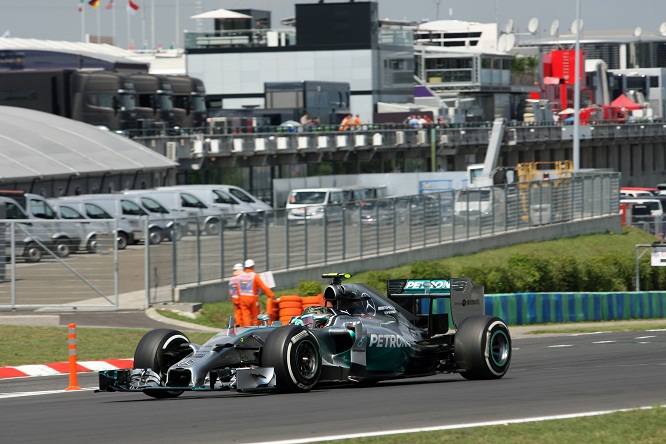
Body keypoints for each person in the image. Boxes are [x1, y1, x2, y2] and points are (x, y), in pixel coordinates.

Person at [237, 258, 275, 326]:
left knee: (246, 316)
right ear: (253, 266)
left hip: (243, 298)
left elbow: (238, 288)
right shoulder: (254, 276)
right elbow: (263, 287)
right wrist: (271, 294)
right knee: (255, 316)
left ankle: (246, 329)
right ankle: (255, 329)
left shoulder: (240, 276)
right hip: (252, 298)